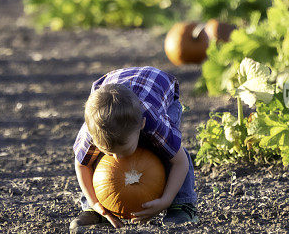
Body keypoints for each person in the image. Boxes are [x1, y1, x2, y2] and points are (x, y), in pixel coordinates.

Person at [69, 66, 198, 229]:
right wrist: (95, 203)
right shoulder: (92, 131)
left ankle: (183, 205)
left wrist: (166, 200)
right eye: (110, 153)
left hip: (161, 90)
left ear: (141, 126)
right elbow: (81, 164)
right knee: (94, 157)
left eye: (123, 150)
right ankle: (93, 211)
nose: (118, 159)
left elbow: (180, 162)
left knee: (168, 150)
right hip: (114, 87)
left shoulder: (153, 122)